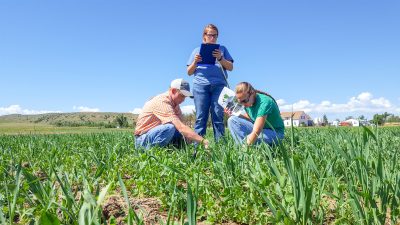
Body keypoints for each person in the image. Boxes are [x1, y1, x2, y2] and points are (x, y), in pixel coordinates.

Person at [187, 24, 234, 141]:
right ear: (204, 36)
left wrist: (221, 58)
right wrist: (195, 62)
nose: (213, 38)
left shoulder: (222, 49)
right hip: (200, 86)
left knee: (218, 115)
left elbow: (231, 67)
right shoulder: (196, 51)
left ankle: (221, 149)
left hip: (219, 86)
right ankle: (198, 149)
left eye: (215, 35)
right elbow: (189, 72)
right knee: (200, 117)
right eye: (210, 35)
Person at [134, 78, 209, 149]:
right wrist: (203, 141)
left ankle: (174, 150)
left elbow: (183, 127)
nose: (183, 100)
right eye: (182, 96)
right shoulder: (162, 101)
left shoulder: (175, 105)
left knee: (183, 134)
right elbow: (181, 128)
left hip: (154, 134)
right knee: (169, 128)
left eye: (185, 97)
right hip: (142, 139)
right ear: (173, 91)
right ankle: (153, 153)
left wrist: (192, 141)